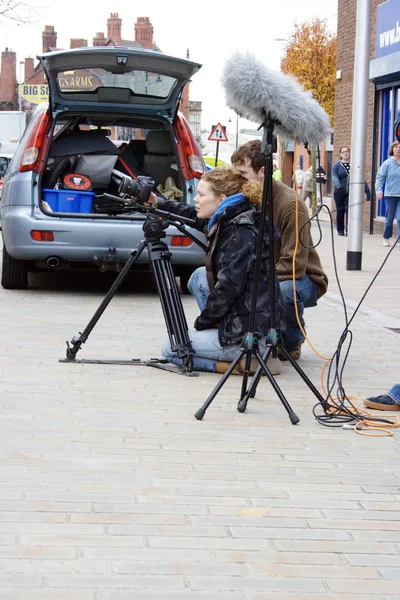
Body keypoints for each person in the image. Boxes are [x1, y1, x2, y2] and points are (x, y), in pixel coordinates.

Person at [145, 166, 286, 374]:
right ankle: (222, 342)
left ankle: (241, 364)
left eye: (201, 195)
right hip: (254, 322)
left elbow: (227, 290)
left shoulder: (240, 232)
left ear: (221, 199)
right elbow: (193, 216)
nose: (195, 199)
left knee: (173, 348)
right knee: (199, 277)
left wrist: (201, 324)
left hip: (250, 335)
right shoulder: (232, 216)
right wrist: (158, 202)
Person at [231, 140, 328, 361]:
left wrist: (255, 281)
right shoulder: (244, 198)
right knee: (201, 278)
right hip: (264, 272)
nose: (238, 181)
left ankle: (292, 340)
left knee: (284, 291)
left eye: (243, 174)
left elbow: (293, 264)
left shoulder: (290, 204)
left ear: (262, 171)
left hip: (302, 277)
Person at [332, 146, 371, 237]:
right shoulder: (337, 165)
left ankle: (349, 230)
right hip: (340, 192)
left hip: (351, 192)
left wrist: (367, 192)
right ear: (340, 155)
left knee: (349, 210)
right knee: (340, 211)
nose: (345, 153)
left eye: (347, 151)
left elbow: (360, 177)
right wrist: (338, 185)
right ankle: (340, 230)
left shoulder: (354, 165)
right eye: (343, 152)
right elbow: (334, 176)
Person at [375, 140, 400, 247]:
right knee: (389, 220)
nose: (398, 149)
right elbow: (380, 178)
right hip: (390, 195)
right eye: (396, 147)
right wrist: (379, 190)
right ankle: (386, 237)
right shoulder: (387, 163)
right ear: (392, 149)